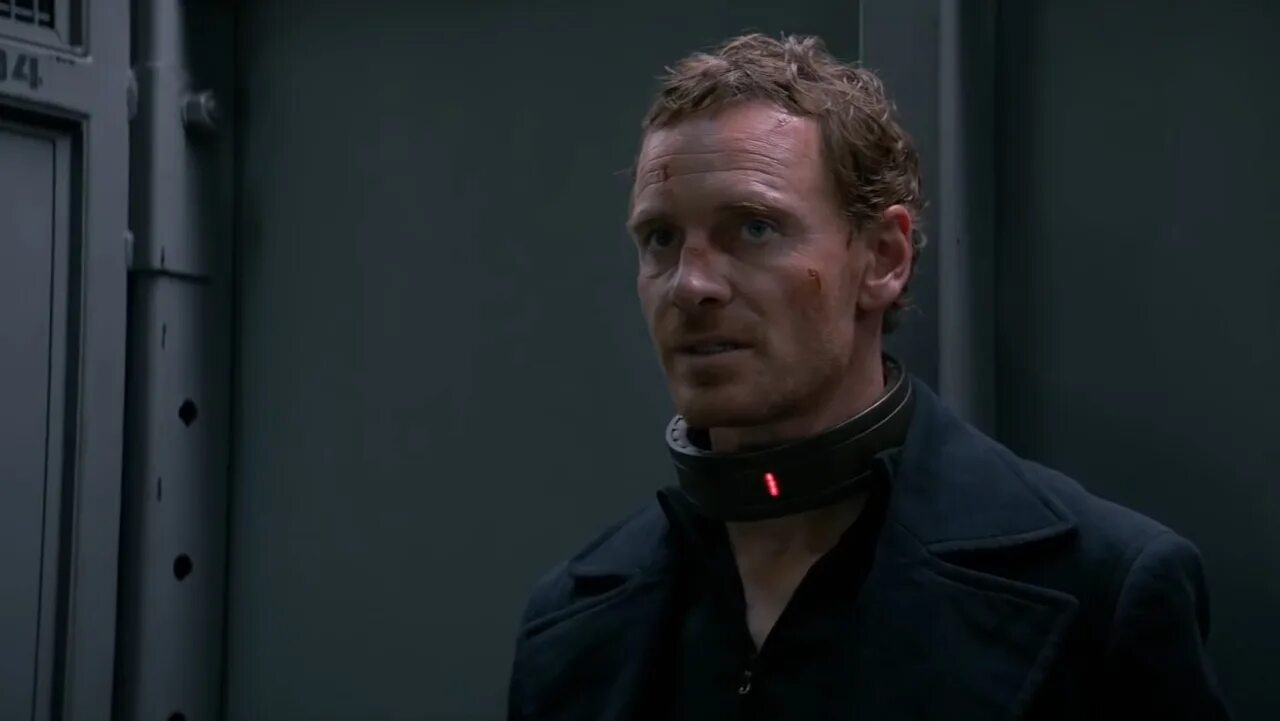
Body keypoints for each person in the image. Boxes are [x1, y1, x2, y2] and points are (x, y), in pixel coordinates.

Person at [506, 33, 1232, 720]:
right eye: (661, 238)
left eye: (754, 228)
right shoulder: (573, 620)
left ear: (884, 259)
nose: (690, 284)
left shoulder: (1098, 589)